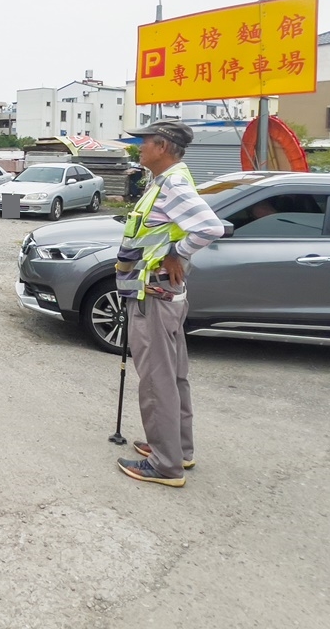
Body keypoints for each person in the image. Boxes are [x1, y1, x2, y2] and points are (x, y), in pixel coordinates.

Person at [114, 120, 224, 488]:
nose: (138, 148)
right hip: (164, 295)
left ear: (161, 146)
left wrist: (178, 252)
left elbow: (210, 227)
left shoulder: (173, 184)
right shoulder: (165, 181)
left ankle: (165, 465)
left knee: (157, 381)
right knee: (174, 376)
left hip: (154, 296)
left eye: (143, 142)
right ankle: (179, 449)